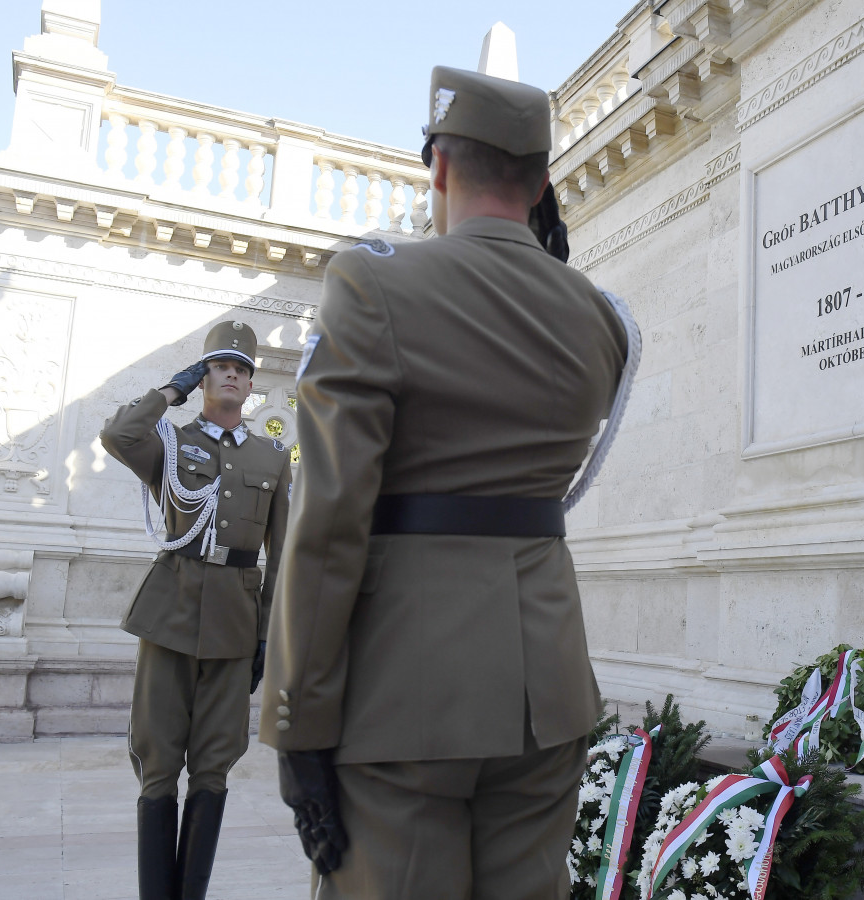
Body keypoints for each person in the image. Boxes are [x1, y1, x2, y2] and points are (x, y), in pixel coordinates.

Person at [259, 65, 631, 899]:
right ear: (540, 182)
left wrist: (298, 718)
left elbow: (328, 523)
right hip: (548, 684)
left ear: (438, 167)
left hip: (406, 691)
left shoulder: (375, 284)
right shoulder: (602, 318)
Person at [100, 320, 292, 900]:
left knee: (213, 766)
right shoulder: (172, 442)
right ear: (203, 377)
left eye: (241, 368)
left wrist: (267, 635)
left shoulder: (274, 456)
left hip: (236, 627)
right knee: (158, 764)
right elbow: (117, 436)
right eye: (219, 366)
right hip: (170, 616)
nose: (231, 373)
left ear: (252, 382)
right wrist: (170, 391)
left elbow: (281, 558)